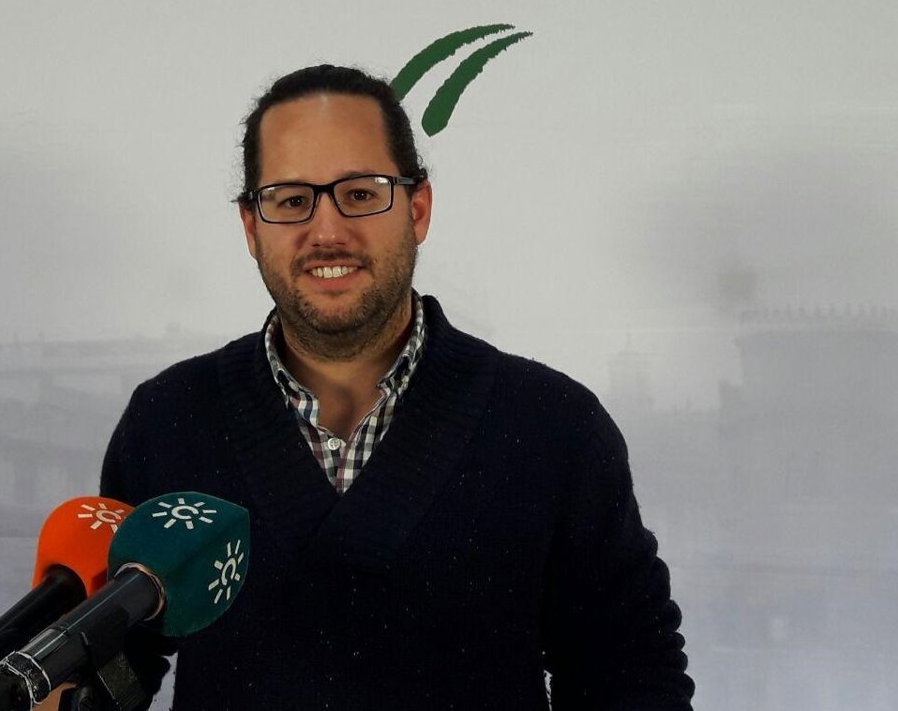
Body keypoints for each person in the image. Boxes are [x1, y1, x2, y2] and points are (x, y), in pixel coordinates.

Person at [100, 65, 695, 709]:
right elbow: (113, 668)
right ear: (251, 226)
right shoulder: (167, 421)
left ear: (418, 209)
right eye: (291, 200)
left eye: (361, 194)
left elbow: (629, 673)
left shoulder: (555, 428)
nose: (328, 232)